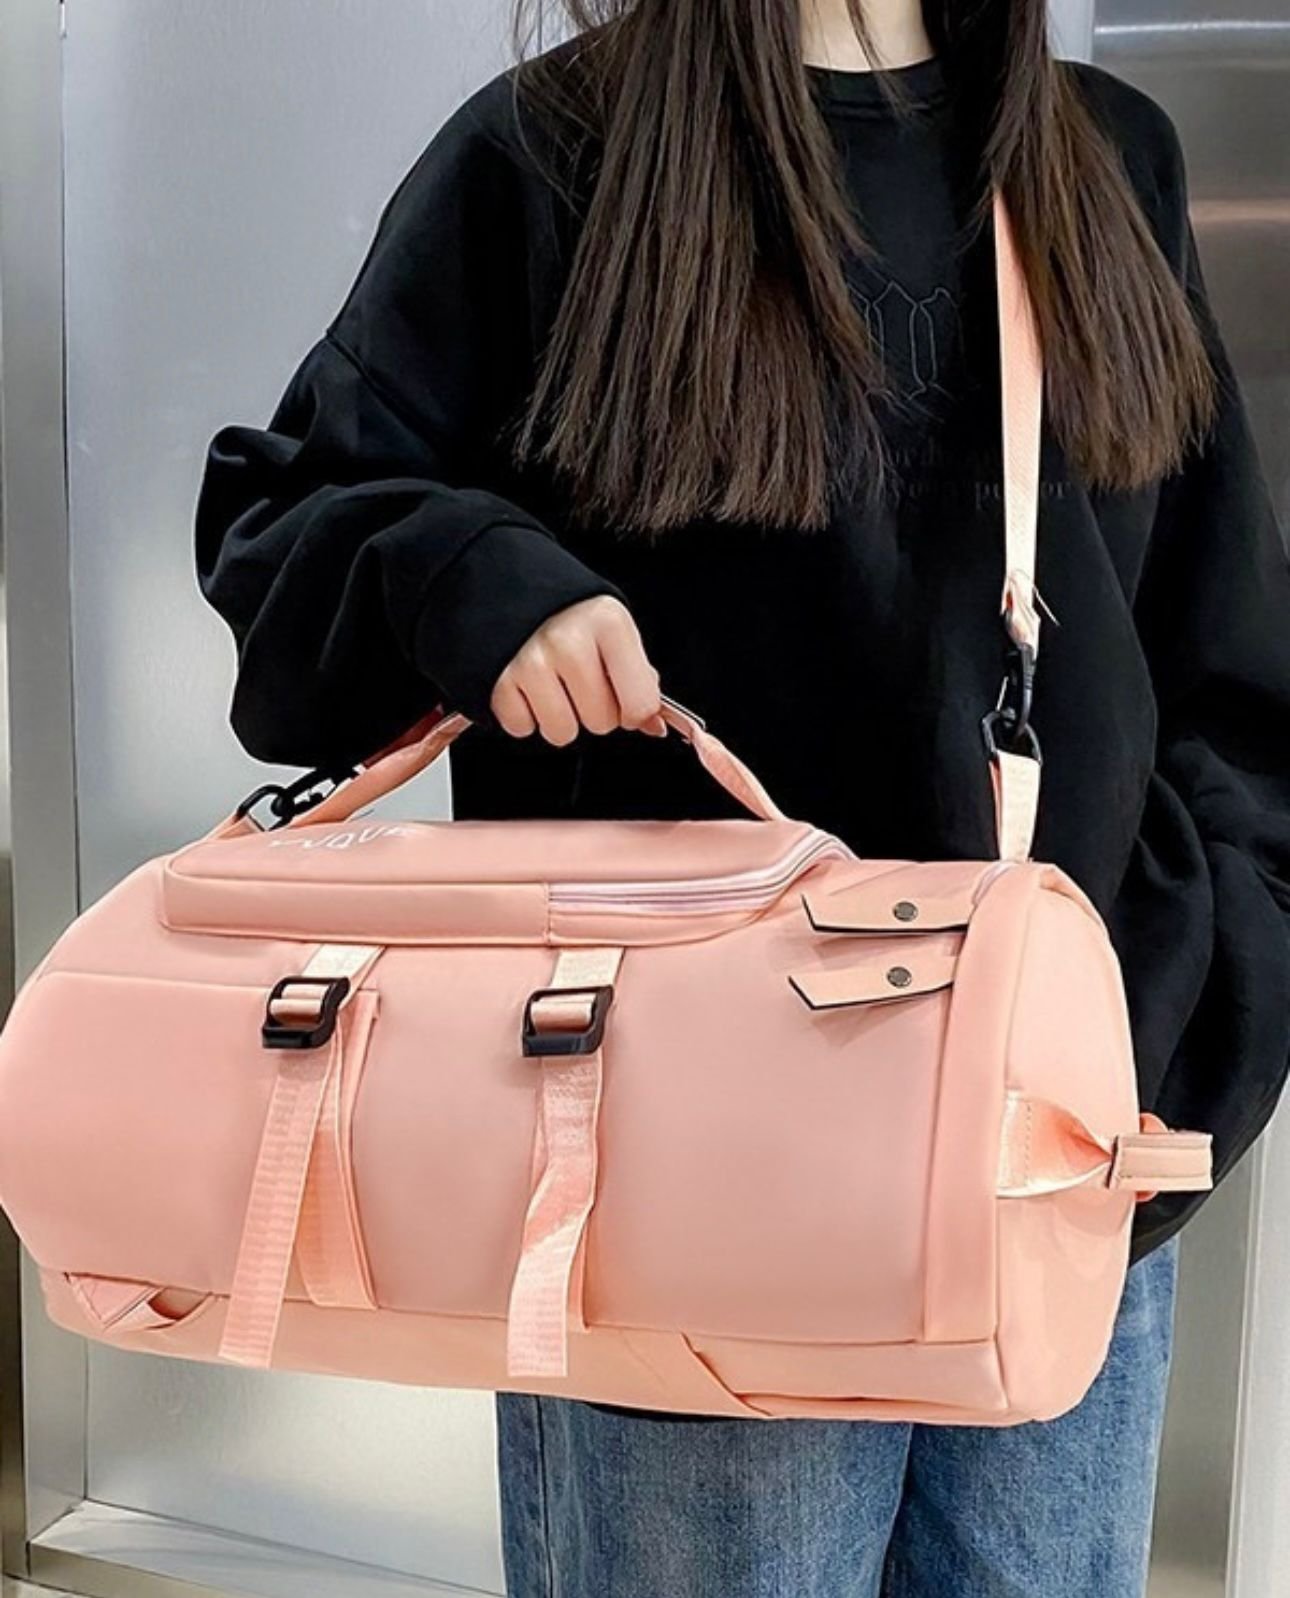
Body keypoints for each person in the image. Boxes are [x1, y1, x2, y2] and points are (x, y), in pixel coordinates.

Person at [194, 1, 1290, 1593]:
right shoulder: (556, 159)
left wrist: (1185, 1019)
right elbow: (283, 527)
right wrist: (478, 583)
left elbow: (1227, 661)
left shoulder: (1101, 161)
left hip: (1055, 1166)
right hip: (676, 1190)